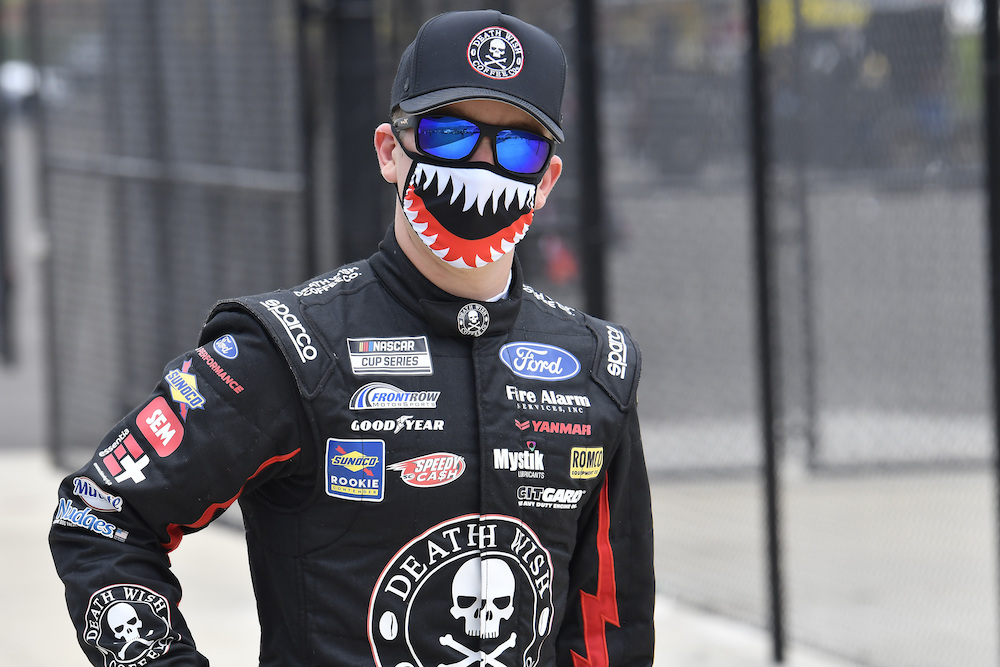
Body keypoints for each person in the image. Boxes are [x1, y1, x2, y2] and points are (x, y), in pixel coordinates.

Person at [49, 9, 655, 666]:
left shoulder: (597, 368)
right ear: (390, 152)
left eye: (518, 147)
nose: (483, 163)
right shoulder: (287, 349)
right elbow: (100, 514)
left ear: (547, 180)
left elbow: (609, 627)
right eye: (450, 134)